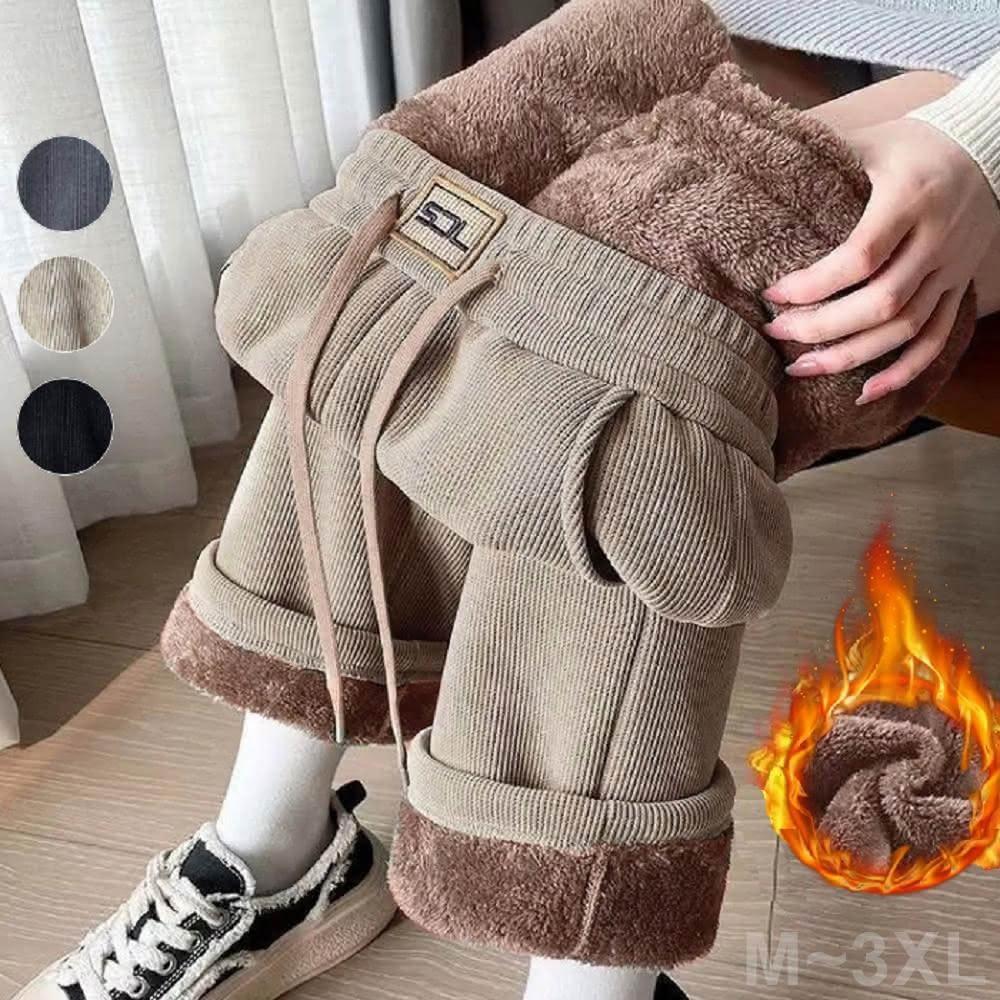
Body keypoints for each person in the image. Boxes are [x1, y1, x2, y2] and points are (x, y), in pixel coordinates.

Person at [14, 4, 999, 1000]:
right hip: (832, 32)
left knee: (634, 362)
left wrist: (977, 141)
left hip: (971, 90)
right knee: (406, 235)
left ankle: (590, 979)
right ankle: (270, 853)